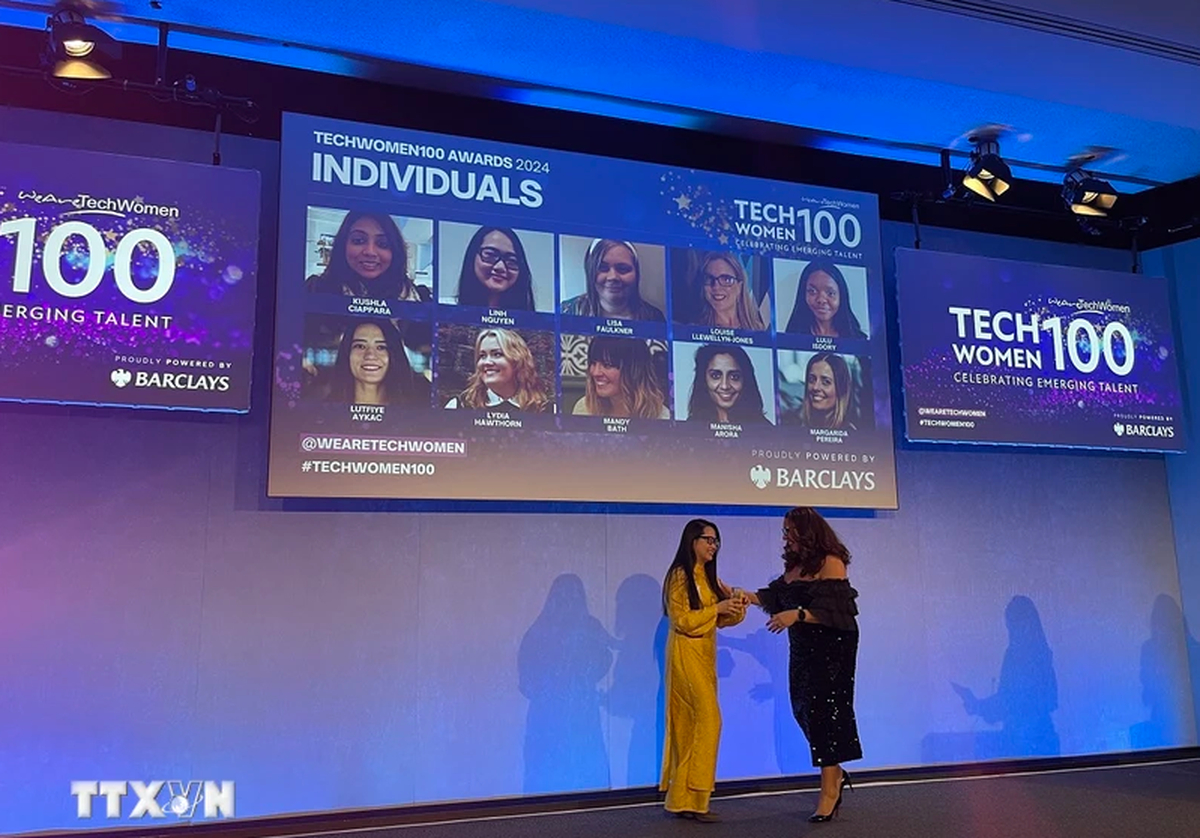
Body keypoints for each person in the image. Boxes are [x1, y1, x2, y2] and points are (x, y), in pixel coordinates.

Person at [743, 507, 862, 823]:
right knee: (802, 708)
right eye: (784, 531)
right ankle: (835, 770)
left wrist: (796, 615)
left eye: (790, 531)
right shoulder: (796, 566)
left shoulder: (831, 562)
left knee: (826, 713)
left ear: (807, 532)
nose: (786, 537)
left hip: (832, 645)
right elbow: (774, 597)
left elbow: (836, 612)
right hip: (803, 646)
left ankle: (829, 791)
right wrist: (742, 595)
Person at [660, 519, 748, 822]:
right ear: (692, 541)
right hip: (685, 655)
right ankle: (695, 798)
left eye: (716, 541)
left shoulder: (708, 577)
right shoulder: (679, 576)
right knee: (708, 719)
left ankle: (687, 800)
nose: (713, 545)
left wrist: (735, 606)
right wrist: (716, 610)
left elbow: (720, 620)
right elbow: (682, 620)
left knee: (695, 727)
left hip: (705, 657)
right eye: (708, 539)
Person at [306, 211, 431, 301]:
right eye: (358, 241)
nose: (370, 252)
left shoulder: (421, 299)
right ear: (342, 245)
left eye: (382, 244)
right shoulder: (314, 290)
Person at [444, 328, 553, 412]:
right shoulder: (458, 407)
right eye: (482, 356)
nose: (487, 362)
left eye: (497, 354)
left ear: (517, 360)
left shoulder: (547, 410)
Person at [327, 319, 430, 407]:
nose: (370, 355)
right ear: (347, 353)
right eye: (360, 346)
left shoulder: (418, 410)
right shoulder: (324, 410)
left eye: (381, 347)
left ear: (394, 354)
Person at [561, 238, 666, 321]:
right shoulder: (566, 312)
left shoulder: (654, 317)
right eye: (603, 268)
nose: (613, 277)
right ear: (590, 271)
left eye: (623, 269)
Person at [572, 336, 670, 419]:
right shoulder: (584, 409)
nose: (595, 372)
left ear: (632, 371)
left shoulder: (661, 417)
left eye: (607, 365)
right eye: (593, 363)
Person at [454, 226, 537, 310]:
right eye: (490, 255)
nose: (500, 267)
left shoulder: (532, 321)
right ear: (472, 256)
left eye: (511, 260)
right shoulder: (445, 312)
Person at [686, 344, 771, 425]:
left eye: (734, 377)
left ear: (746, 380)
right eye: (715, 376)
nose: (725, 386)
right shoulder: (690, 427)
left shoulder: (765, 429)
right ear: (703, 380)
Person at [785, 260, 866, 339]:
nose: (821, 300)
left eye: (830, 293)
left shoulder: (858, 339)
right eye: (812, 291)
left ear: (842, 297)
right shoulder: (792, 336)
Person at [693, 252, 766, 331]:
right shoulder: (695, 330)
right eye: (709, 278)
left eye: (726, 279)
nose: (716, 287)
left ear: (739, 287)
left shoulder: (758, 330)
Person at [802, 353, 855, 430]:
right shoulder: (795, 429)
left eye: (826, 382)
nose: (815, 387)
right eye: (812, 380)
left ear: (841, 389)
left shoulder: (852, 435)